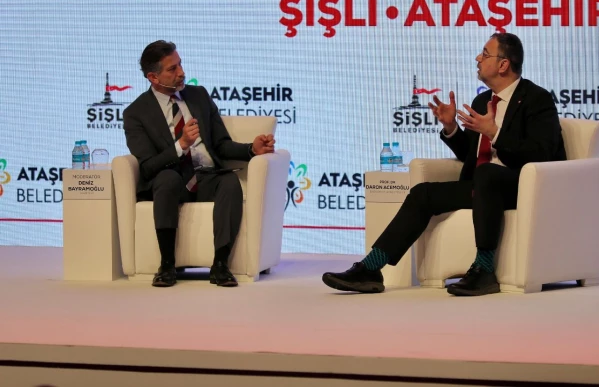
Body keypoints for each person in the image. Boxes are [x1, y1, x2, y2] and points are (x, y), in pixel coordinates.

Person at [322, 32, 566, 296]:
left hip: (521, 187)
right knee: (423, 193)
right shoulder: (482, 101)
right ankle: (371, 267)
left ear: (503, 64)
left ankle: (484, 269)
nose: (478, 58)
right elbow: (469, 155)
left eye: (485, 54)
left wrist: (494, 132)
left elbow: (541, 153)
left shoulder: (536, 99)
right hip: (482, 187)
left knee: (487, 174)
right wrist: (451, 128)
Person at [123, 40, 275, 288]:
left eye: (180, 64)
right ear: (153, 77)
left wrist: (250, 149)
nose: (181, 72)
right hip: (171, 180)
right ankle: (167, 265)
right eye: (172, 69)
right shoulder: (136, 113)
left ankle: (220, 265)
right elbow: (148, 166)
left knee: (229, 182)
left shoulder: (199, 95)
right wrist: (181, 144)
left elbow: (221, 144)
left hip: (206, 177)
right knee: (167, 179)